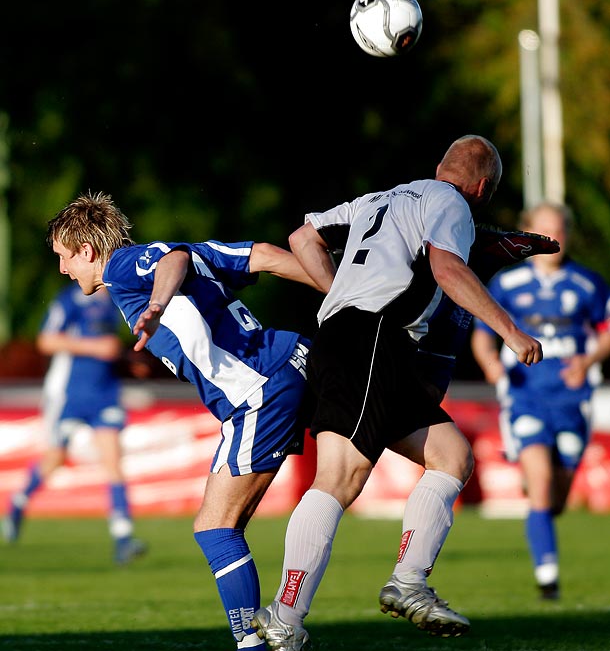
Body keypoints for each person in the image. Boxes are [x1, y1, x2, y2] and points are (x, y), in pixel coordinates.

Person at [251, 134, 543, 648]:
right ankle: (285, 615)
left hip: (355, 340)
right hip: (369, 339)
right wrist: (509, 330)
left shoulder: (378, 199)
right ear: (481, 187)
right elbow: (447, 269)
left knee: (451, 456)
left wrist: (339, 291)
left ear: (438, 167)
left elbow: (302, 238)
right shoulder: (451, 202)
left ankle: (409, 583)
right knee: (339, 478)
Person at [44, 192, 321, 650]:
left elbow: (170, 258)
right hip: (296, 357)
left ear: (87, 251)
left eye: (63, 257)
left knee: (215, 528)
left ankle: (258, 641)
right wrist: (337, 291)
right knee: (349, 473)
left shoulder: (121, 268)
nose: (62, 269)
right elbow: (268, 257)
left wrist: (155, 304)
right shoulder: (204, 255)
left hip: (258, 392)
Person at [471, 201, 610, 600]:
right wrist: (490, 366)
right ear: (528, 235)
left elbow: (606, 330)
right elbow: (483, 333)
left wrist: (589, 360)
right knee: (543, 482)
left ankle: (539, 494)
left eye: (560, 231)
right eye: (545, 232)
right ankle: (548, 579)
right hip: (525, 395)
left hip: (572, 400)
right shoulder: (508, 283)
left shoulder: (588, 283)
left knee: (557, 499)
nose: (555, 240)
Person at [2, 282, 147, 565]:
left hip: (105, 393)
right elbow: (46, 340)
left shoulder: (117, 297)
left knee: (113, 459)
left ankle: (123, 538)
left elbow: (108, 345)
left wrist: (127, 358)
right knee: (56, 458)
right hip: (68, 393)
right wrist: (94, 348)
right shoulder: (71, 298)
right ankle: (19, 503)